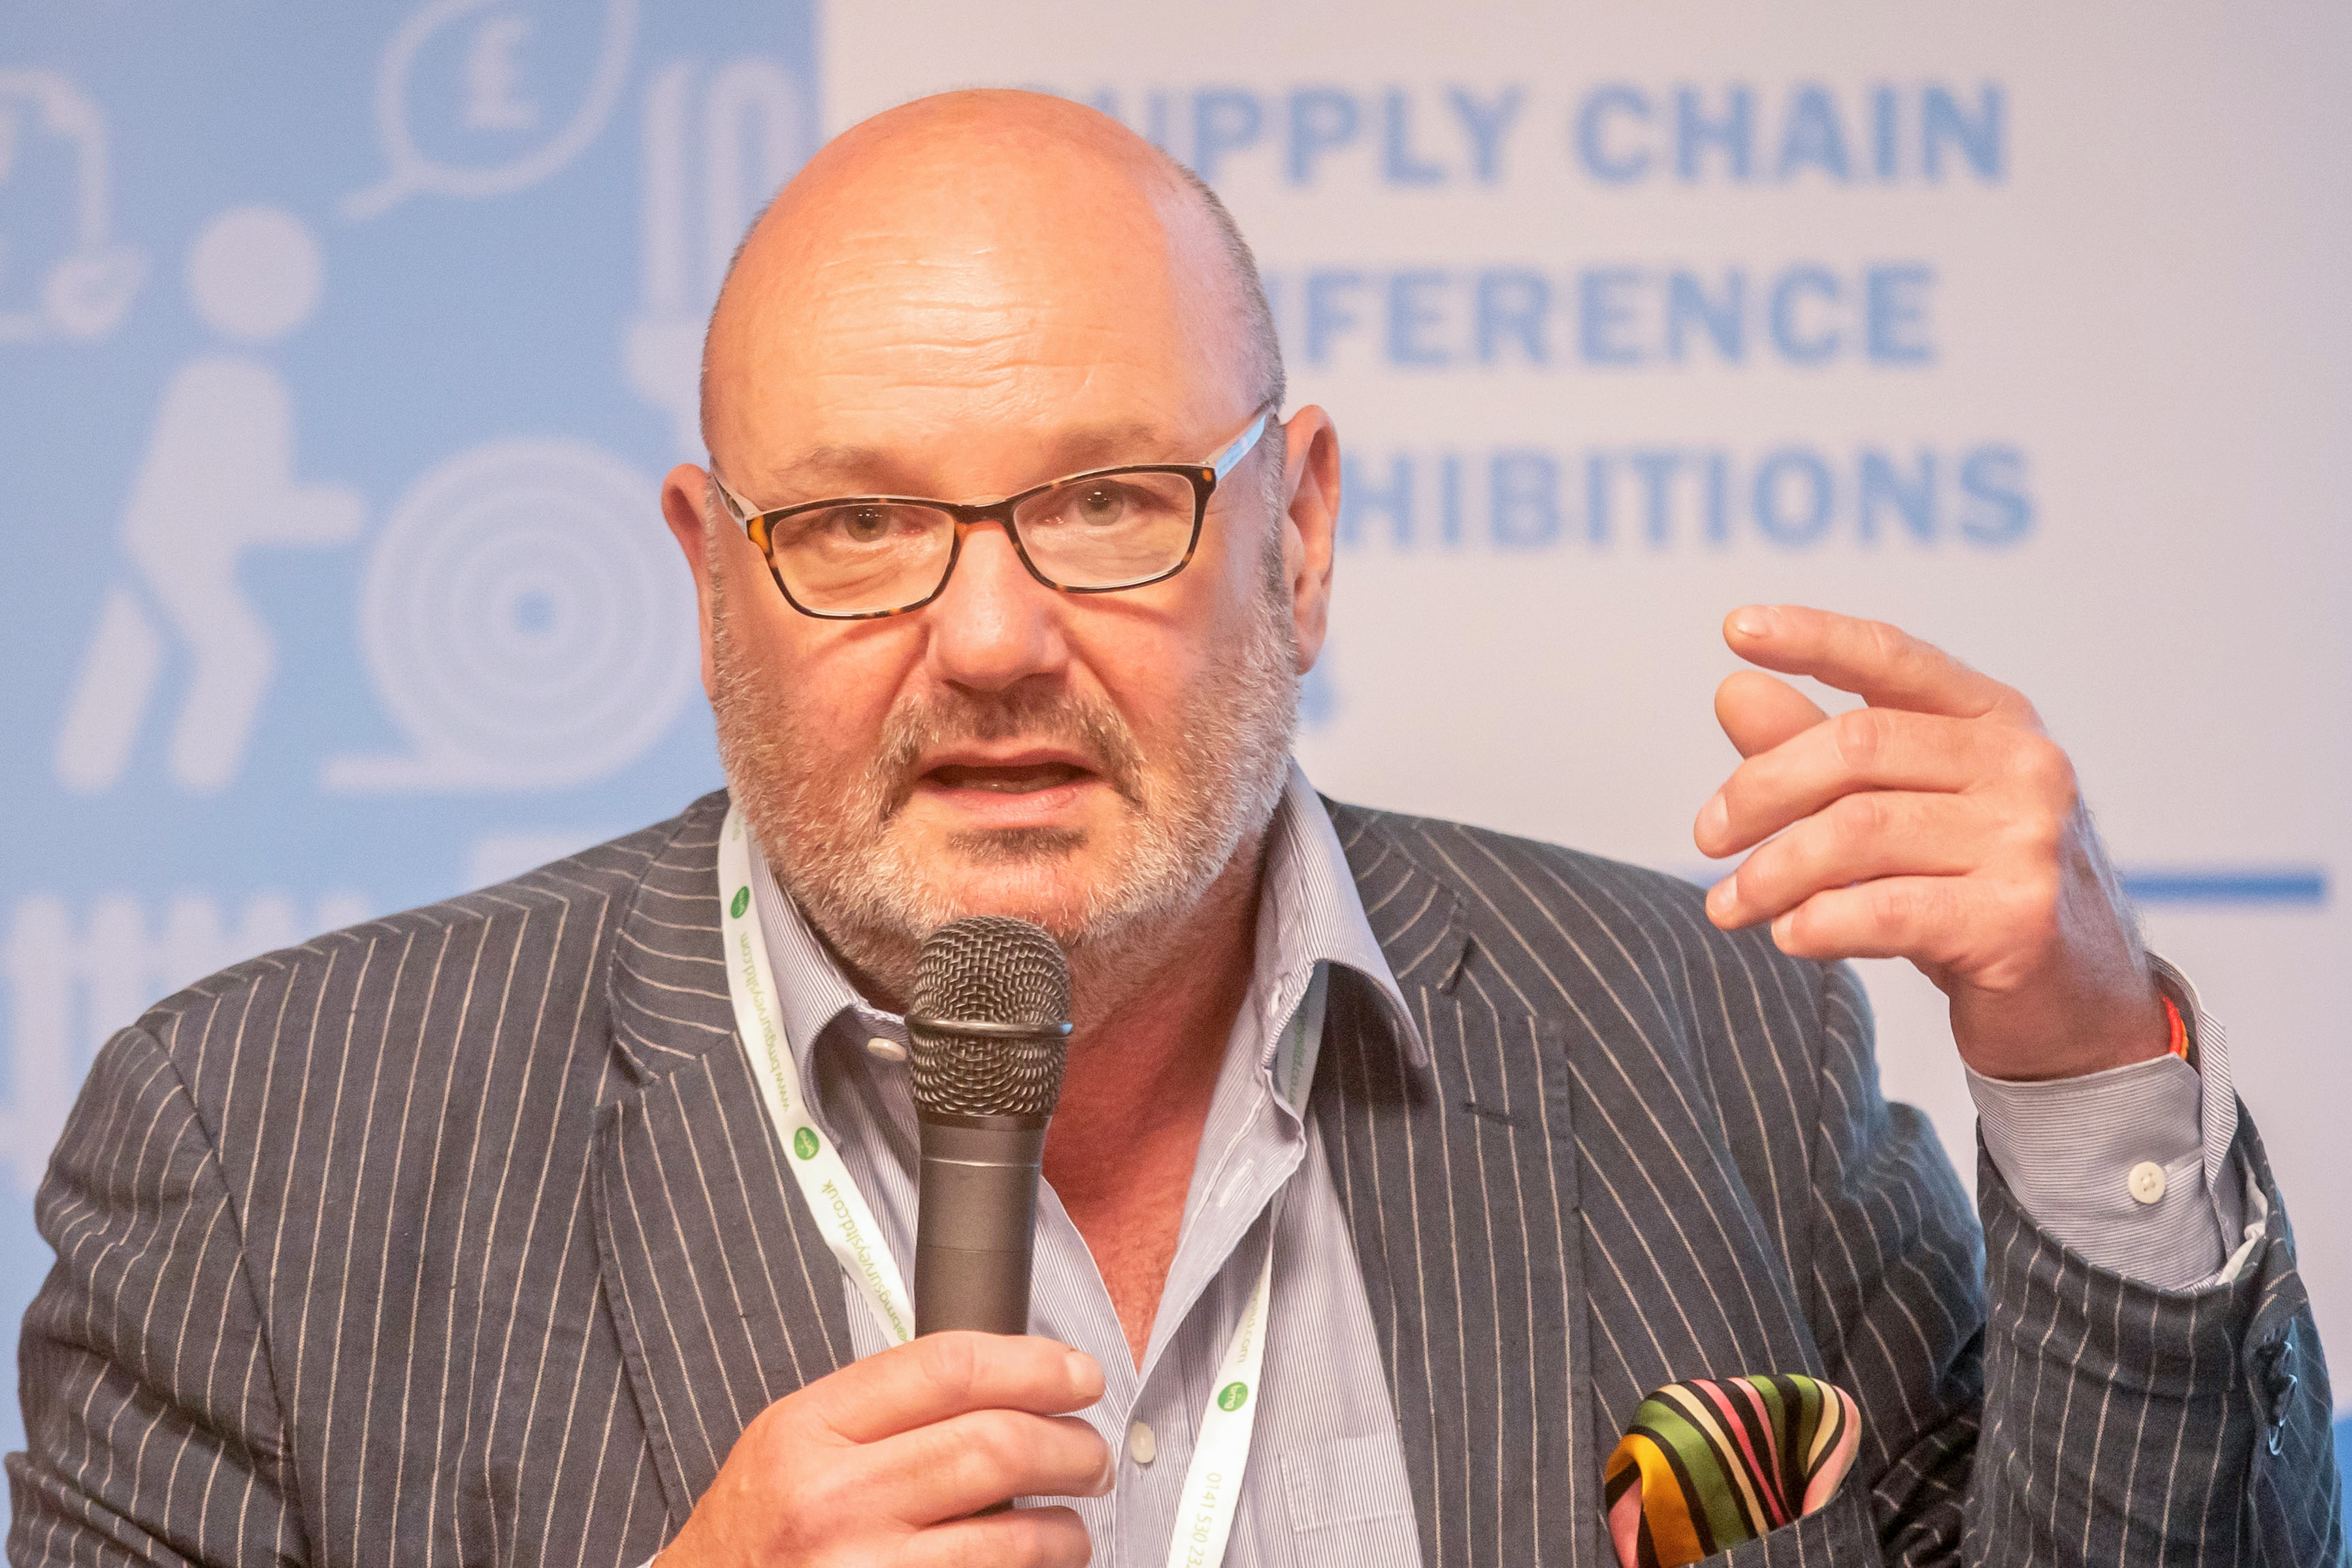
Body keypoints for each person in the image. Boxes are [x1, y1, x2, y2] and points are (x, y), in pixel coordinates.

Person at [9, 90, 2340, 1568]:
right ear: (713, 582)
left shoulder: (1712, 1052)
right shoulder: (264, 1154)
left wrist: (2082, 1073)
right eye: (857, 528)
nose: (991, 639)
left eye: (1111, 501)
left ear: (1297, 532)